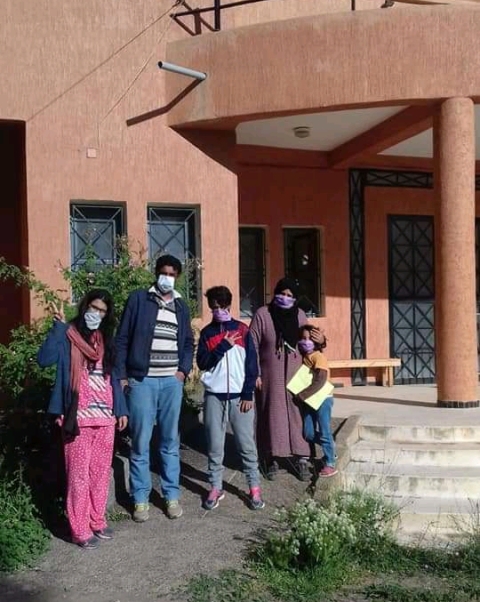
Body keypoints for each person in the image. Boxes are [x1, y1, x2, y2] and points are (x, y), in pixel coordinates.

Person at [37, 290, 128, 550]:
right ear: (85, 306)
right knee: (78, 477)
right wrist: (57, 328)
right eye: (93, 308)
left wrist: (121, 410)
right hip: (77, 420)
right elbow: (44, 360)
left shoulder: (105, 340)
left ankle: (97, 520)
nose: (96, 314)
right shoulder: (68, 335)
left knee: (100, 474)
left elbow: (114, 377)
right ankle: (79, 530)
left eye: (102, 311)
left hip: (105, 418)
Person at [115, 254, 194, 522]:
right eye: (163, 273)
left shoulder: (181, 306)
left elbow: (187, 342)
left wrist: (182, 371)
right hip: (142, 381)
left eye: (172, 274)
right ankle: (140, 499)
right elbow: (122, 338)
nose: (167, 278)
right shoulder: (139, 299)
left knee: (170, 441)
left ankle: (171, 496)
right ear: (156, 273)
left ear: (177, 277)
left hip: (171, 383)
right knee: (140, 441)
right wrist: (122, 375)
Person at [249, 277, 324, 482]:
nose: (285, 298)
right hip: (269, 375)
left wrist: (321, 341)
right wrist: (255, 373)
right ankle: (270, 457)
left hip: (296, 375)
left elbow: (309, 344)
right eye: (281, 293)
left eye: (290, 295)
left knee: (298, 413)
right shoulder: (263, 314)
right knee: (271, 413)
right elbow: (252, 345)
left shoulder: (300, 315)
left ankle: (302, 457)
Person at [196, 286, 264, 511]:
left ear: (229, 305)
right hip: (214, 396)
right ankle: (215, 486)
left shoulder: (242, 330)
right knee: (215, 445)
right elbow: (202, 363)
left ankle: (254, 487)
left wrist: (248, 393)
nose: (218, 310)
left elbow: (252, 364)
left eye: (222, 306)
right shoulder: (207, 333)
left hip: (240, 397)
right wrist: (223, 346)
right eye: (214, 307)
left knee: (246, 444)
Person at [296, 325, 337, 478]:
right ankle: (331, 446)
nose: (306, 342)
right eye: (303, 338)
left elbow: (321, 379)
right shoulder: (304, 357)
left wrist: (302, 395)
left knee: (325, 431)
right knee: (308, 433)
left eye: (309, 339)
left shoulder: (318, 357)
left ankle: (330, 463)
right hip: (310, 400)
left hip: (323, 399)